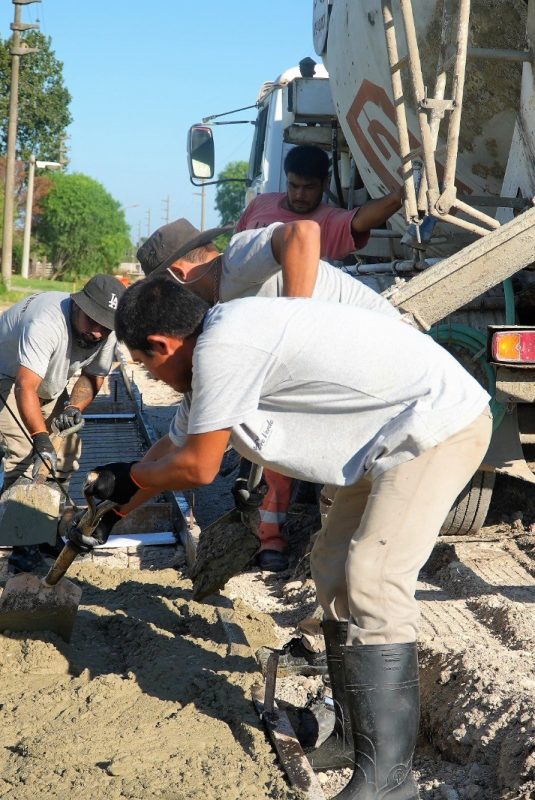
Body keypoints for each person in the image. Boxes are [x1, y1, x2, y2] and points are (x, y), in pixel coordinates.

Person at [75, 276, 492, 793]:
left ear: (163, 345)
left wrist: (132, 476)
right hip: (388, 437)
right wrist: (114, 512)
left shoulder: (225, 348)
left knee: (375, 574)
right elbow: (172, 449)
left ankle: (389, 782)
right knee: (332, 563)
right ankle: (352, 737)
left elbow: (199, 467)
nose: (148, 372)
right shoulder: (212, 350)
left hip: (437, 424)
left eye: (144, 363)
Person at [137, 216, 401, 574]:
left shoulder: (235, 260)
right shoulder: (219, 318)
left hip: (381, 357)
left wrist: (294, 324)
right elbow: (178, 439)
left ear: (178, 276)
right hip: (345, 373)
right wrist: (129, 485)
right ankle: (304, 546)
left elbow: (303, 232)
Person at [0, 273, 125, 573]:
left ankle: (45, 532)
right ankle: (23, 546)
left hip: (47, 383)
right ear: (78, 306)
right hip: (8, 377)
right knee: (24, 455)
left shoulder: (105, 331)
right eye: (92, 322)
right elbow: (25, 387)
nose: (97, 332)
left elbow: (93, 376)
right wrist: (41, 438)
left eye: (105, 327)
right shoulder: (46, 323)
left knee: (66, 455)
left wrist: (73, 408)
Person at [236, 144, 403, 261]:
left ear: (324, 184)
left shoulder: (329, 221)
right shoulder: (260, 203)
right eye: (293, 185)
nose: (299, 195)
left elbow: (360, 220)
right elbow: (235, 248)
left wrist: (397, 197)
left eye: (309, 187)